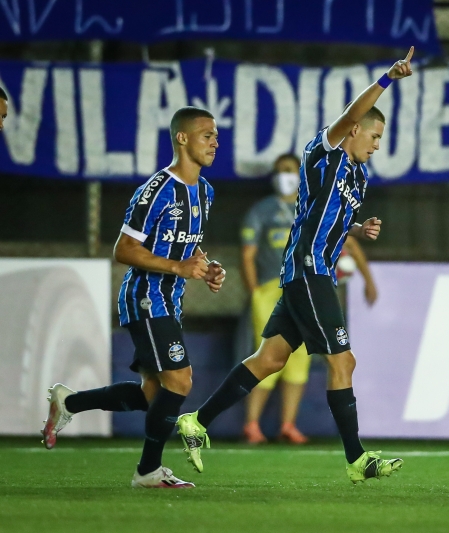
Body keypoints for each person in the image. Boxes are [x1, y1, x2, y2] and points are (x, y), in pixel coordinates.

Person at [177, 47, 415, 483]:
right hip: (309, 271)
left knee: (269, 359)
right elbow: (349, 112)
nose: (378, 145)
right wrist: (386, 79)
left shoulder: (359, 177)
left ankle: (196, 421)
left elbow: (328, 218)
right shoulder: (324, 153)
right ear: (354, 130)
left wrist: (359, 228)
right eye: (375, 137)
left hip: (311, 272)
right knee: (344, 363)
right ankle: (357, 460)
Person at [41, 107, 227, 489]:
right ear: (182, 138)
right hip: (145, 296)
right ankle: (147, 471)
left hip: (169, 301)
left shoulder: (205, 192)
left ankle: (69, 402)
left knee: (152, 395)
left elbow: (186, 246)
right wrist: (177, 269)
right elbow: (123, 250)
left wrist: (206, 267)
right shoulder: (157, 189)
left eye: (215, 136)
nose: (214, 141)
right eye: (206, 134)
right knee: (180, 381)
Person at [240, 155, 379, 444]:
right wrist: (254, 291)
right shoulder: (262, 210)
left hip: (305, 286)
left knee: (298, 360)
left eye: (289, 171)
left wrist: (368, 278)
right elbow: (247, 255)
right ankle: (251, 424)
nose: (284, 177)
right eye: (279, 172)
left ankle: (287, 425)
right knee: (267, 358)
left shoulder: (314, 202)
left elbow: (348, 238)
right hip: (271, 288)